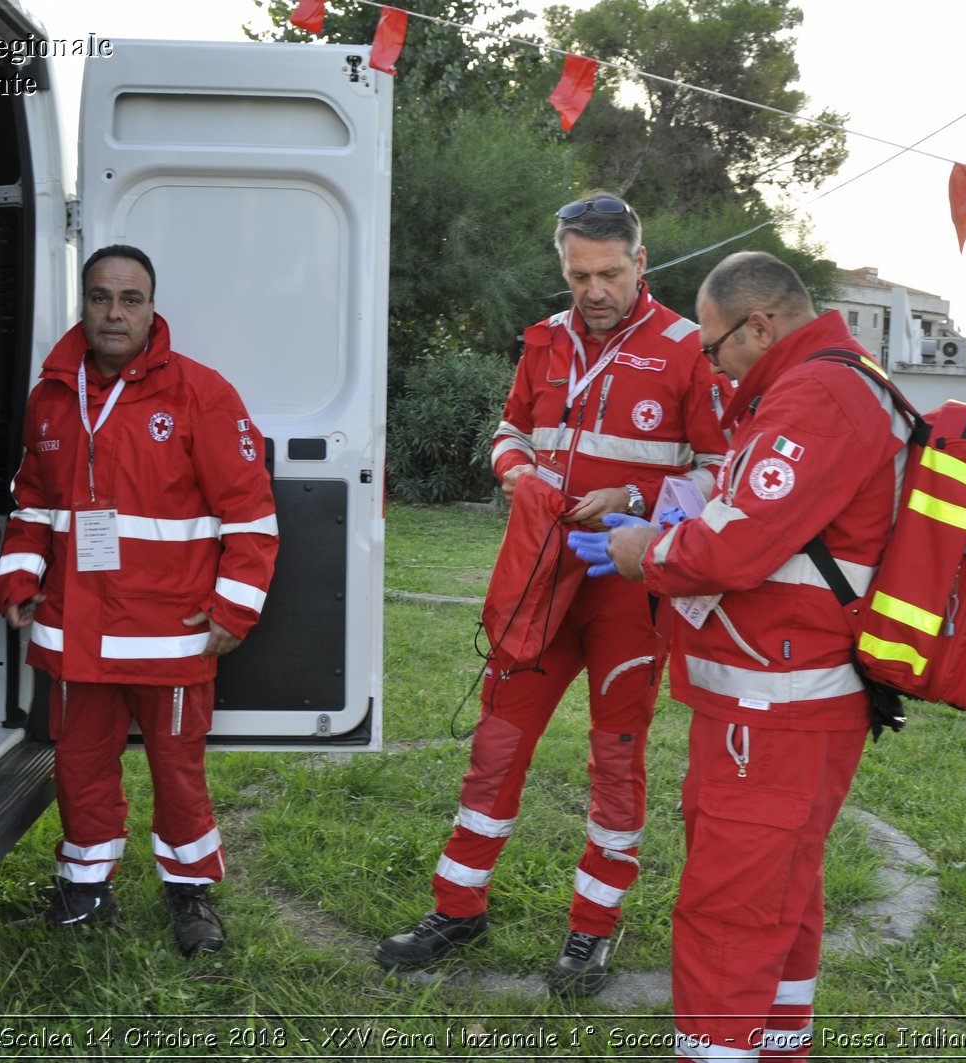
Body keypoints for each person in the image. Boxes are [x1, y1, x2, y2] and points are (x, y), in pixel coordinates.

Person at [375, 194, 729, 995]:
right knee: (496, 745)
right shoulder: (543, 339)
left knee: (616, 755)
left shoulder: (687, 348)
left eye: (609, 273)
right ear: (562, 265)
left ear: (641, 263)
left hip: (624, 585)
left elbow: (721, 470)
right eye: (578, 274)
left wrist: (635, 496)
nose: (593, 289)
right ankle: (456, 907)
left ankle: (592, 929)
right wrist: (517, 473)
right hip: (539, 576)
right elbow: (508, 433)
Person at [575, 251, 909, 1059]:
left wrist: (643, 553)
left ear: (760, 325)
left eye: (715, 343)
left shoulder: (817, 393)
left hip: (775, 704)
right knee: (783, 896)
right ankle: (777, 1043)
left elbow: (731, 547)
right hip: (799, 696)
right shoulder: (841, 381)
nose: (710, 362)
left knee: (728, 911)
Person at [0, 245, 278, 957]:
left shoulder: (201, 393)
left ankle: (190, 893)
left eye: (131, 298)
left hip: (168, 635)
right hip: (74, 631)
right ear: (82, 304)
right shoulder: (51, 394)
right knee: (80, 764)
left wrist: (234, 609)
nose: (114, 312)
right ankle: (85, 885)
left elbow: (250, 515)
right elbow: (33, 505)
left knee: (178, 774)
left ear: (152, 307)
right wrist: (17, 581)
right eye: (100, 297)